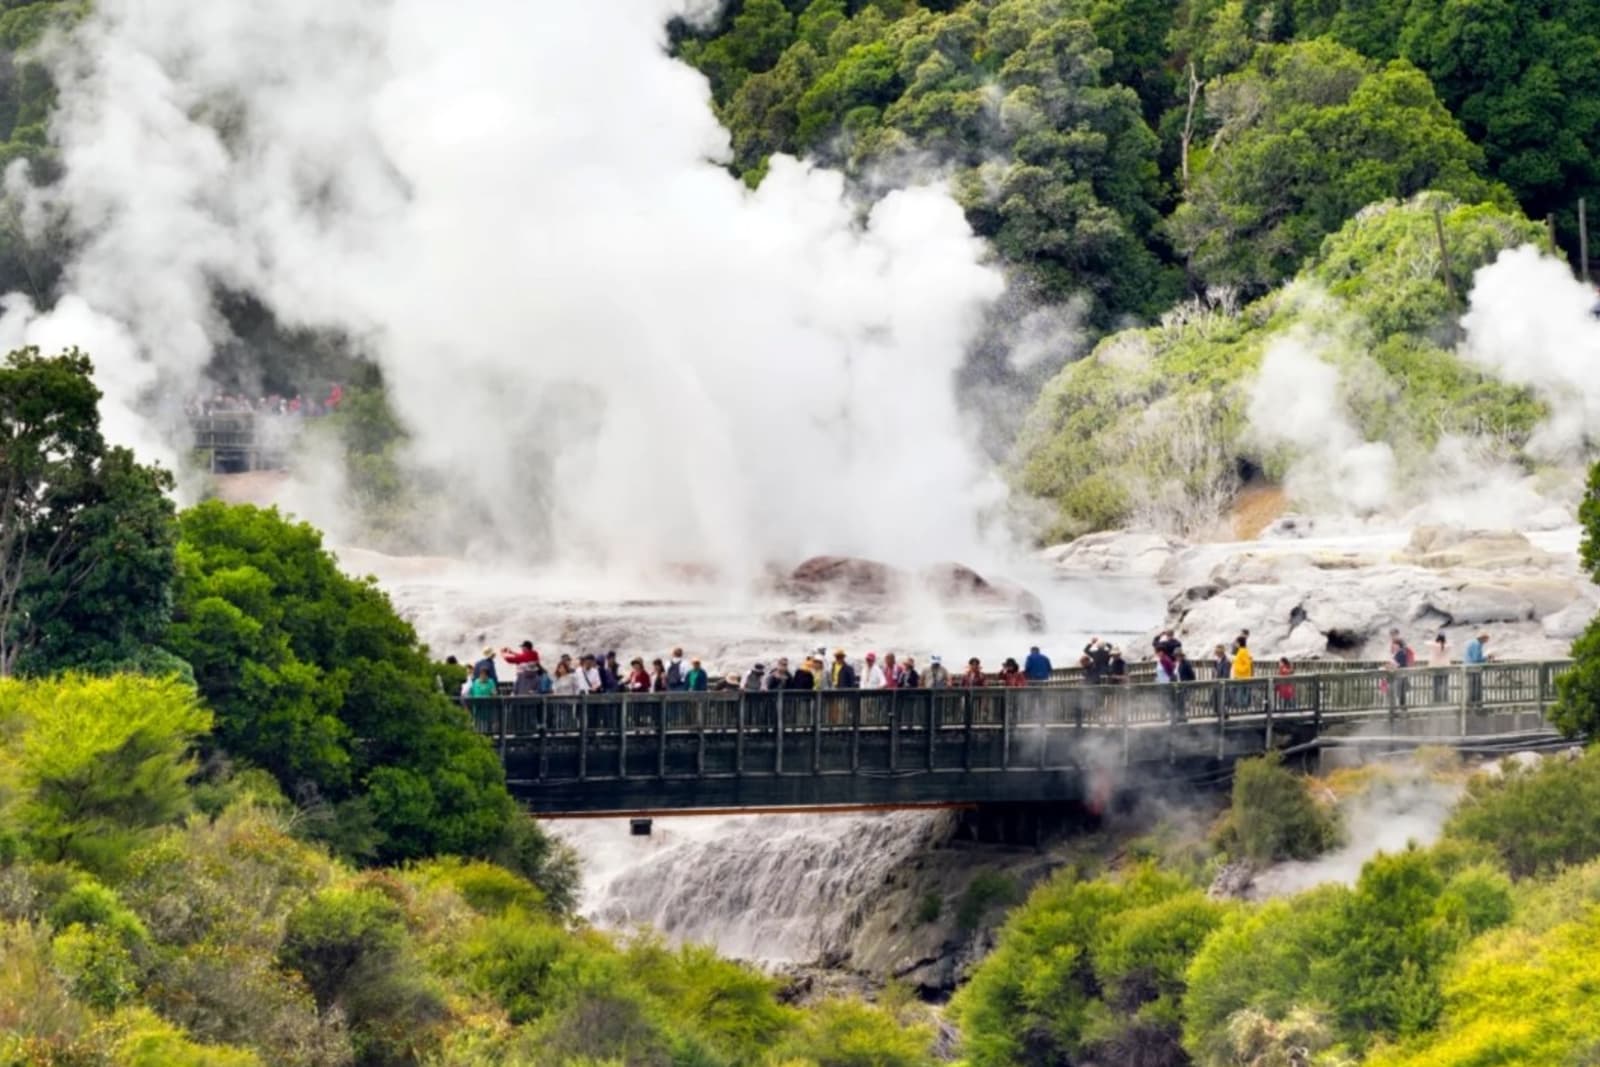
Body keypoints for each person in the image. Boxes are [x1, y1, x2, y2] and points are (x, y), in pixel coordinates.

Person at [1464, 632, 1489, 708]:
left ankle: (1472, 704)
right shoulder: (1477, 644)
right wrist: (1486, 658)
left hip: (1469, 667)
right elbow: (1476, 659)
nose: (1487, 641)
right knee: (1475, 687)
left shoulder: (1473, 643)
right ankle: (1476, 704)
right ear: (1483, 638)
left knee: (1472, 687)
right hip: (1473, 669)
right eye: (1486, 639)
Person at [1428, 633, 1449, 703]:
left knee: (1436, 686)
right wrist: (1445, 642)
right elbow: (1451, 644)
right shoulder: (1447, 646)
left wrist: (1435, 642)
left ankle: (1436, 700)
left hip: (1436, 668)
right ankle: (1445, 700)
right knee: (1445, 685)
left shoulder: (1434, 646)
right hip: (1445, 668)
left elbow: (1427, 643)